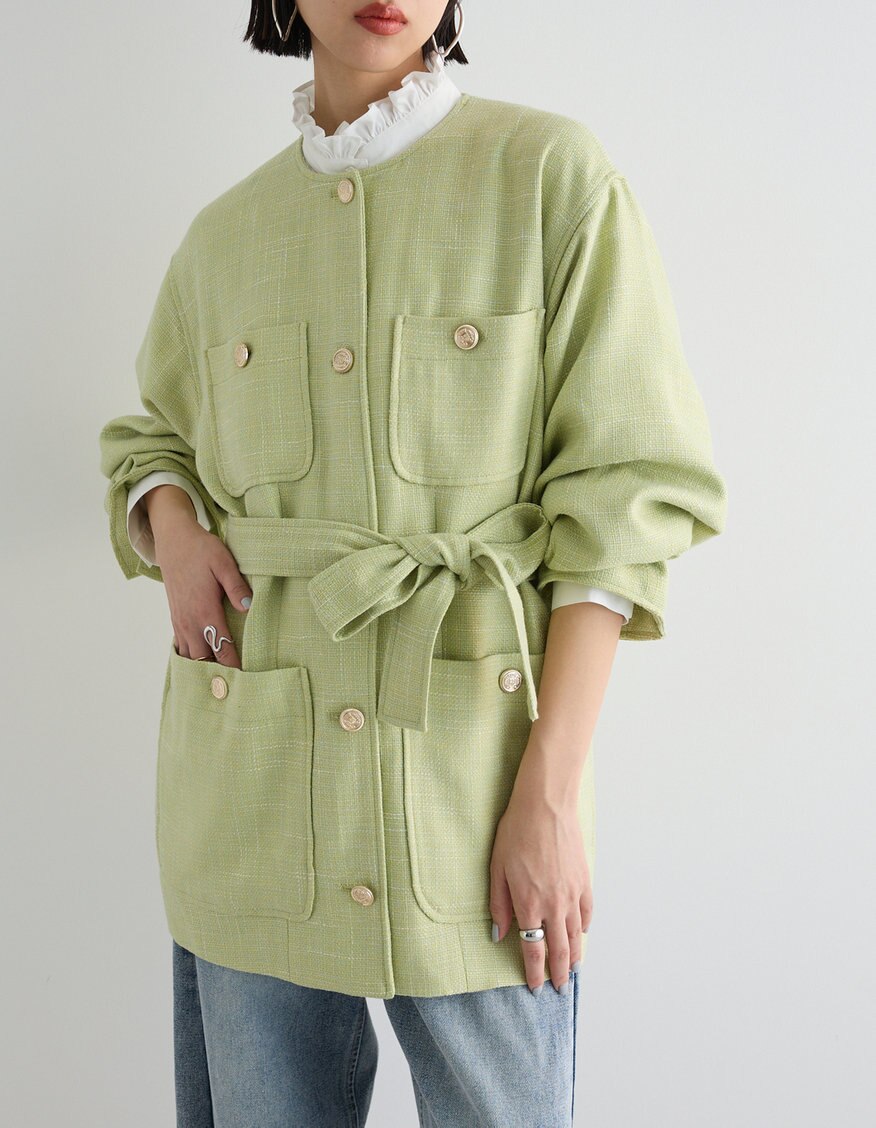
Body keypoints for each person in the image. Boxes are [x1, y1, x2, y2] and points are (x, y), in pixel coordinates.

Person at [98, 2, 728, 1123]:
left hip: (475, 797)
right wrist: (173, 525)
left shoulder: (549, 176)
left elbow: (625, 493)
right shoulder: (224, 237)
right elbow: (151, 437)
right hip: (252, 797)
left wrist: (550, 797)